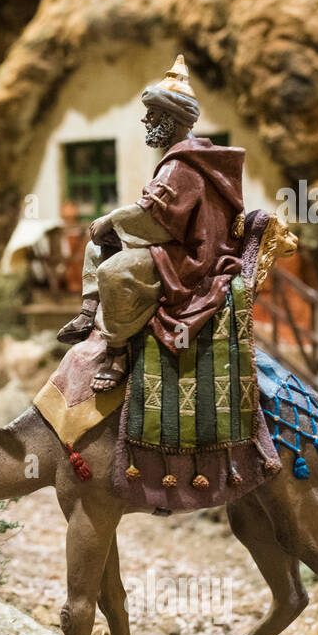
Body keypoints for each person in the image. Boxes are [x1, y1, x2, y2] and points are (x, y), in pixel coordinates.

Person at [56, 55, 246, 392]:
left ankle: (116, 352)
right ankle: (89, 310)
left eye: (154, 114)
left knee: (113, 271)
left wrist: (110, 221)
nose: (146, 120)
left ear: (172, 120)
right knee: (94, 248)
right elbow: (154, 211)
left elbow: (156, 219)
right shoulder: (177, 160)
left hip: (186, 257)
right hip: (169, 241)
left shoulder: (183, 164)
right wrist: (114, 227)